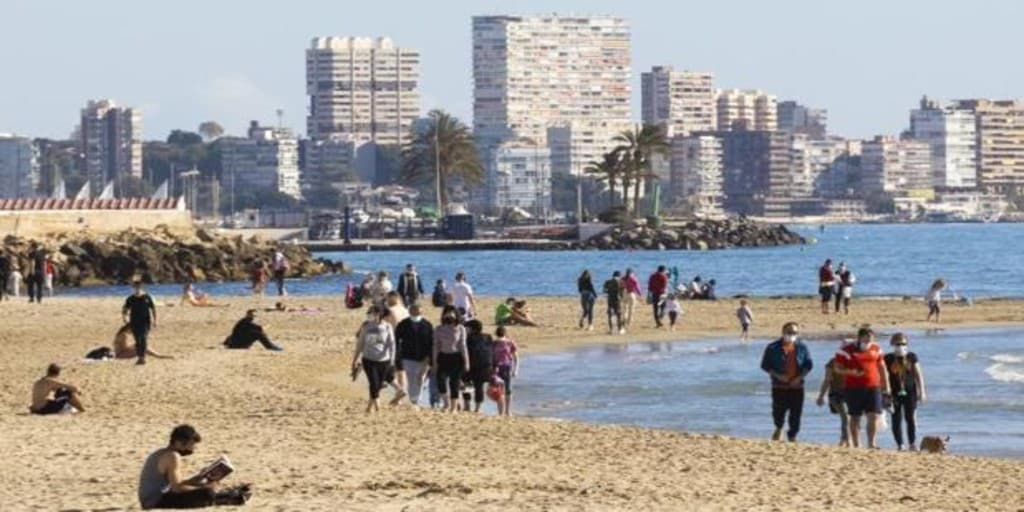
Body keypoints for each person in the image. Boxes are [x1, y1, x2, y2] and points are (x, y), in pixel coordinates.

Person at [834, 327, 891, 449]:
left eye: (871, 339)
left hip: (874, 386)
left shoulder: (876, 348)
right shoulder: (846, 350)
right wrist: (851, 372)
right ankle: (856, 443)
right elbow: (837, 368)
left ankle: (871, 443)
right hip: (853, 388)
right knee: (855, 416)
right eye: (866, 339)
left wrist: (886, 387)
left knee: (874, 415)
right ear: (859, 337)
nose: (868, 341)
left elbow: (882, 367)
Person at [138, 424, 216, 509]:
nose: (193, 449)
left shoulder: (162, 452)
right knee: (207, 493)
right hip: (155, 501)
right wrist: (201, 487)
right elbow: (177, 488)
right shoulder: (173, 456)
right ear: (179, 443)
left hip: (151, 499)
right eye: (191, 445)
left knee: (206, 490)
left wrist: (199, 478)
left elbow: (177, 484)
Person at [760, 322, 813, 442]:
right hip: (779, 386)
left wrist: (800, 377)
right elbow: (764, 365)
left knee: (796, 414)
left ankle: (792, 436)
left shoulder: (802, 347)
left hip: (797, 387)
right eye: (789, 332)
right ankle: (779, 428)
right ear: (783, 332)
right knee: (778, 412)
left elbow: (808, 364)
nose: (792, 335)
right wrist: (778, 375)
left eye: (795, 332)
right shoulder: (772, 347)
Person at [351, 305, 405, 412]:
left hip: (384, 361)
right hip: (368, 360)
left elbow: (392, 344)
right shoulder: (366, 326)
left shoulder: (387, 326)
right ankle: (377, 407)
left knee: (377, 384)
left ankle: (370, 407)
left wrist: (392, 359)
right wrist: (355, 359)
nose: (371, 316)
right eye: (369, 313)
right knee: (374, 383)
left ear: (380, 314)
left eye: (373, 313)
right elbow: (360, 343)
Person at [885, 333, 926, 451]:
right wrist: (884, 392)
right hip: (894, 392)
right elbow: (884, 375)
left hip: (910, 391)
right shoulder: (888, 358)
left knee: (911, 418)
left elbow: (919, 375)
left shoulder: (912, 357)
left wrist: (922, 391)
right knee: (896, 418)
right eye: (898, 344)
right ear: (893, 344)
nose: (900, 346)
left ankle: (912, 443)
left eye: (903, 343)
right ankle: (900, 444)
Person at [395, 304, 433, 406]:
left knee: (420, 378)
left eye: (418, 312)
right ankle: (415, 401)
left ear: (421, 312)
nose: (416, 314)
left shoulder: (427, 325)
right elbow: (396, 340)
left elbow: (431, 343)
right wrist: (397, 356)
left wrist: (430, 358)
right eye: (413, 312)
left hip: (423, 358)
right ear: (410, 312)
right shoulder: (403, 324)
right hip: (407, 356)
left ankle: (416, 399)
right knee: (411, 380)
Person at [432, 309, 469, 412]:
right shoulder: (438, 329)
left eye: (451, 318)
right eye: (447, 317)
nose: (449, 320)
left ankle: (453, 407)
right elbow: (436, 346)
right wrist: (434, 361)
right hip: (443, 357)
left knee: (454, 383)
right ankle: (446, 403)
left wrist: (467, 361)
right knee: (441, 381)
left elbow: (463, 345)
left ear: (456, 318)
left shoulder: (461, 328)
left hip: (456, 358)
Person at [816, 352, 851, 447]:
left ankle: (844, 439)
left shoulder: (855, 361)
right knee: (845, 416)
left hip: (851, 393)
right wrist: (821, 396)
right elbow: (827, 380)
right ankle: (847, 441)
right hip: (836, 394)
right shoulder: (833, 362)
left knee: (850, 417)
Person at [123, 280, 158, 365]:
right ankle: (140, 357)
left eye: (139, 286)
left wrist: (155, 320)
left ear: (142, 287)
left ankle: (143, 357)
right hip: (134, 322)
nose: (137, 288)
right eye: (135, 287)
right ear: (133, 288)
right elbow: (125, 310)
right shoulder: (130, 299)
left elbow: (153, 309)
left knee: (144, 338)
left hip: (145, 322)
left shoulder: (147, 297)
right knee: (137, 339)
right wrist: (125, 319)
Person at [464, 320, 494, 413]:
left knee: (466, 383)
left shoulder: (468, 338)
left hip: (470, 365)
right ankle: (477, 408)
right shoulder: (488, 337)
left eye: (467, 328)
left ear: (471, 328)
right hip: (485, 366)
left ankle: (467, 405)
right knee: (479, 387)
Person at [492, 326, 519, 416]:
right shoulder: (494, 343)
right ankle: (502, 411)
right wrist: (516, 369)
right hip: (499, 368)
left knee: (506, 389)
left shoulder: (509, 343)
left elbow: (515, 357)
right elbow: (516, 358)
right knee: (501, 390)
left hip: (505, 368)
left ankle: (506, 411)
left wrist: (516, 369)